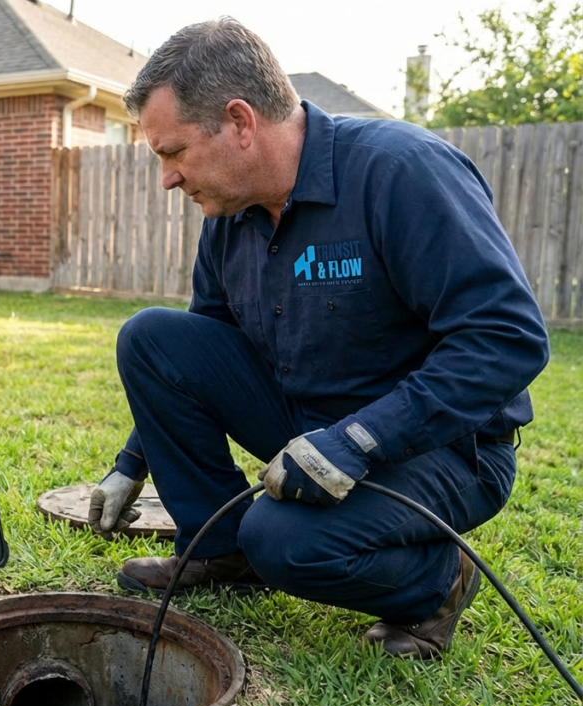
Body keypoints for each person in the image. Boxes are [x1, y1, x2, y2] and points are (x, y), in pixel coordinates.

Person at [87, 17, 549, 659]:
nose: (167, 177)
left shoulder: (401, 173)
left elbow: (508, 338)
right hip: (309, 426)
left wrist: (359, 439)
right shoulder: (231, 214)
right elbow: (200, 347)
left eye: (173, 152)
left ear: (241, 123)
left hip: (444, 449)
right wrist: (130, 465)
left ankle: (440, 582)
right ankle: (220, 552)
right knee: (152, 336)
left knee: (283, 541)